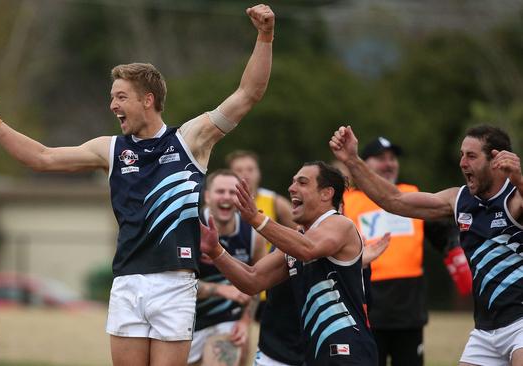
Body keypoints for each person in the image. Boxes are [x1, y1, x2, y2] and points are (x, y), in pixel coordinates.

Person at [0, 5, 274, 366]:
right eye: (112, 97)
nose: (113, 105)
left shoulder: (190, 140)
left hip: (174, 283)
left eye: (121, 97)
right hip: (128, 282)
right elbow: (43, 157)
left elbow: (247, 94)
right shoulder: (110, 149)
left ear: (148, 100)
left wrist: (265, 36)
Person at [330, 124, 523, 366]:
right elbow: (394, 200)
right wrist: (352, 160)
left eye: (471, 156)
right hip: (486, 331)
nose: (463, 163)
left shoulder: (515, 199)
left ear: (496, 160)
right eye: (462, 155)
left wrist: (519, 179)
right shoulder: (459, 200)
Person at [201, 161, 379, 365]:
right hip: (314, 354)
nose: (291, 188)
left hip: (348, 351)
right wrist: (216, 252)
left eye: (302, 183)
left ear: (326, 193)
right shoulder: (296, 240)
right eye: (293, 182)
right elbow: (251, 280)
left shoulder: (340, 224)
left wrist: (256, 219)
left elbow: (308, 249)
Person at [342, 136, 471, 366]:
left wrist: (454, 249)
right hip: (367, 307)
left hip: (409, 310)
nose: (389, 163)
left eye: (392, 158)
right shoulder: (348, 201)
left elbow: (441, 232)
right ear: (364, 164)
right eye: (381, 158)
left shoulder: (410, 194)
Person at [189, 170, 265, 366]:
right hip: (186, 322)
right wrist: (222, 290)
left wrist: (245, 321)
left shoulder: (253, 236)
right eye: (220, 191)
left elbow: (258, 282)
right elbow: (174, 284)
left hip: (227, 322)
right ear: (206, 196)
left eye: (233, 193)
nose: (226, 197)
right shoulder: (188, 229)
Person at [226, 150, 295, 366]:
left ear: (259, 173)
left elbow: (300, 236)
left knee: (264, 348)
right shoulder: (224, 202)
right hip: (234, 284)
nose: (245, 174)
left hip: (269, 285)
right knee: (235, 348)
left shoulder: (274, 201)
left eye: (250, 169)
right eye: (239, 170)